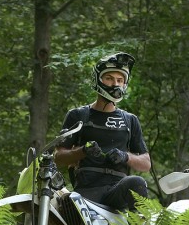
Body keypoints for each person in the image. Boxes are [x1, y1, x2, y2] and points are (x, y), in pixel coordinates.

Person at [54, 52, 151, 211]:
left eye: (120, 80)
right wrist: (83, 151)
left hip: (117, 191)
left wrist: (125, 156)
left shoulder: (130, 120)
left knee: (137, 182)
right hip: (85, 192)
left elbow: (146, 163)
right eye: (109, 78)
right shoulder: (78, 116)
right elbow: (58, 157)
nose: (115, 84)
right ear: (98, 79)